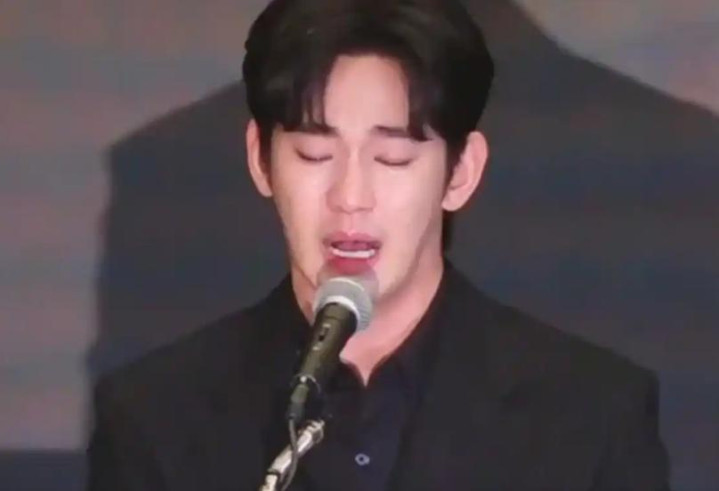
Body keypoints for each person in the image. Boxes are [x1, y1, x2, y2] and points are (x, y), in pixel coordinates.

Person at [86, 0, 670, 489]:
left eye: (392, 158)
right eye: (314, 155)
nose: (351, 197)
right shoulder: (154, 419)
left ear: (461, 173)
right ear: (260, 160)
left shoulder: (593, 417)